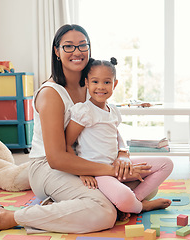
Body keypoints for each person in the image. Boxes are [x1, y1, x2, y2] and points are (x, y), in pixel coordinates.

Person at [0, 24, 172, 239]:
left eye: (82, 46)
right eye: (68, 46)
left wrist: (123, 154)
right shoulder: (51, 94)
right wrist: (111, 171)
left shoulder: (91, 84)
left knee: (145, 183)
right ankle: (9, 216)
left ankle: (88, 203)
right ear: (57, 52)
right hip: (50, 168)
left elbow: (108, 123)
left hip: (88, 161)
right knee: (105, 213)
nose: (76, 52)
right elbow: (57, 158)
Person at [65, 57, 173, 214]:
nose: (101, 87)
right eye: (95, 82)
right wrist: (81, 172)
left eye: (107, 82)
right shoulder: (84, 111)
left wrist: (123, 154)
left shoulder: (113, 110)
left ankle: (135, 199)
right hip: (99, 172)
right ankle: (141, 206)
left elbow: (116, 134)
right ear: (86, 83)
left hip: (117, 167)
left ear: (114, 84)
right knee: (123, 197)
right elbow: (67, 144)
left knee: (166, 164)